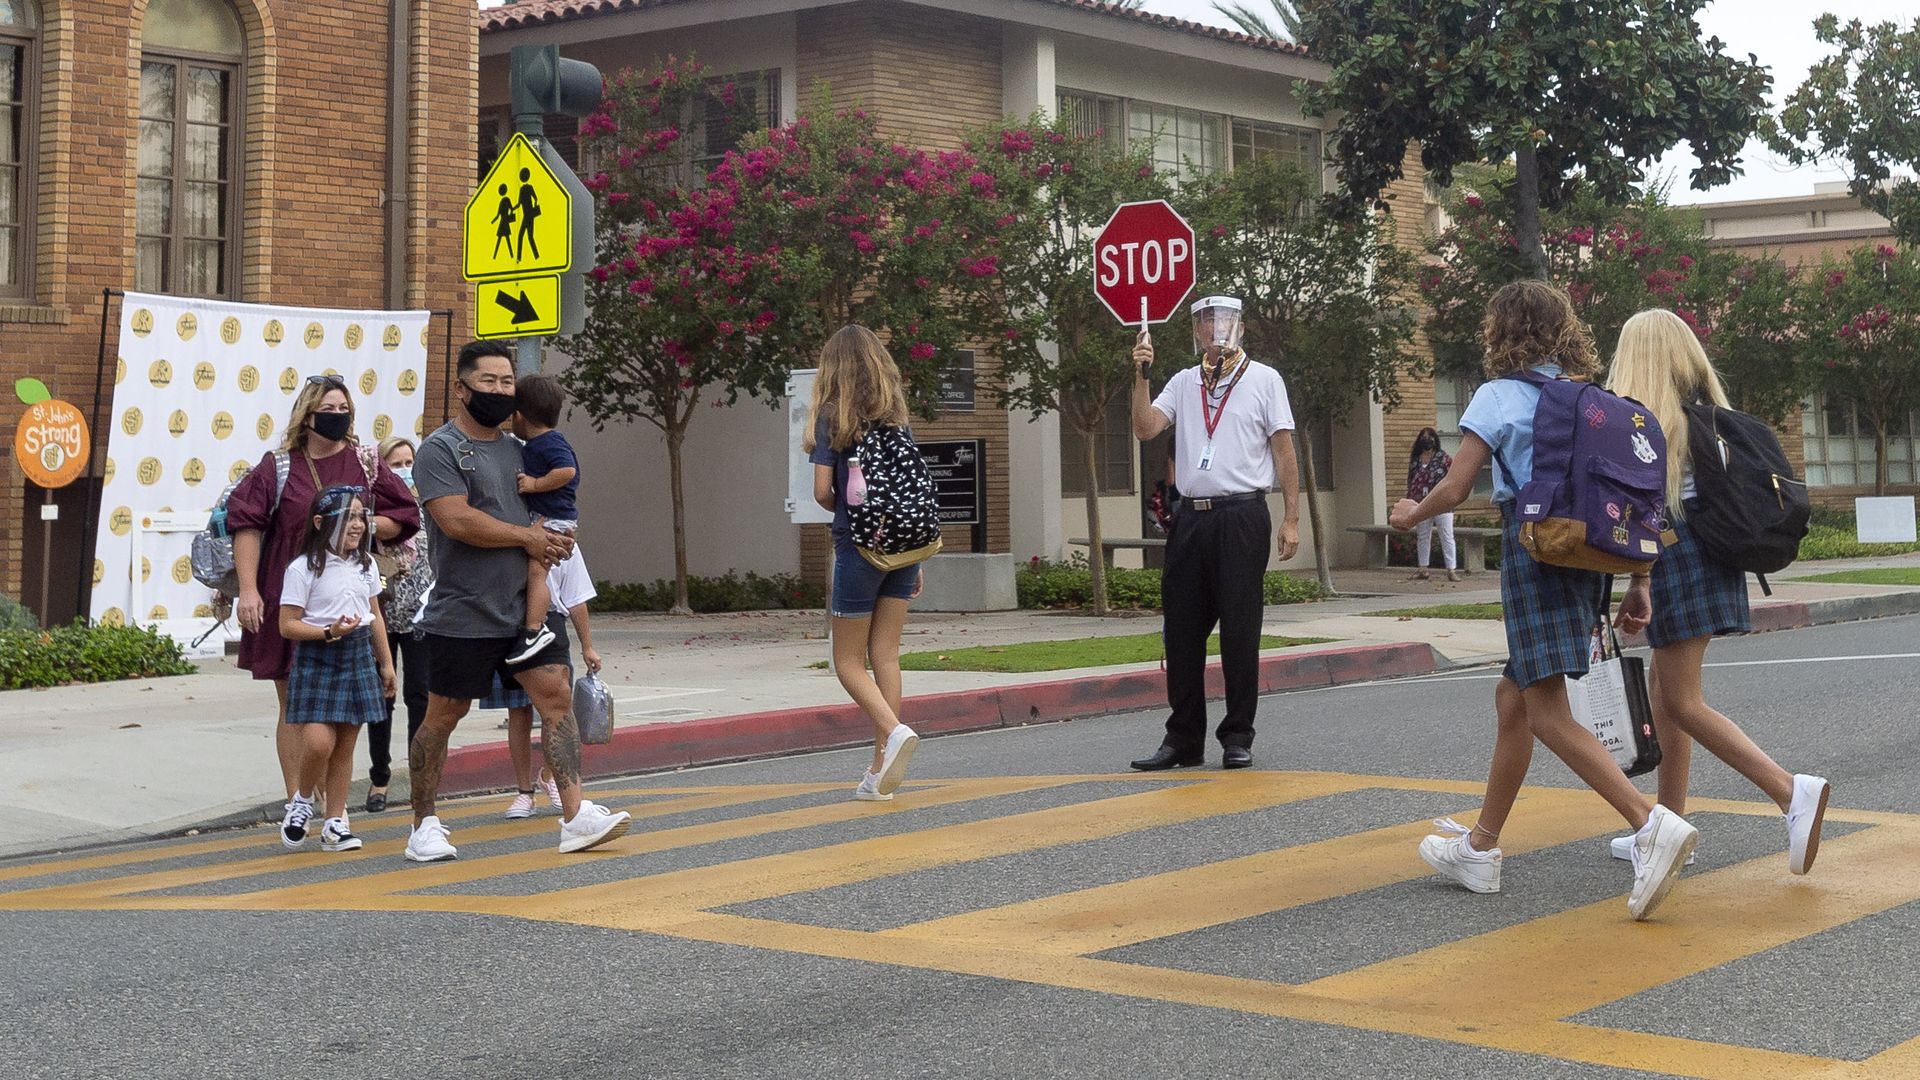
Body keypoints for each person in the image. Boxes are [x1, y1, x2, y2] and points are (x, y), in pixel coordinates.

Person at [1389, 280, 1698, 920]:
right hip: (1587, 557)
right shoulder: (1589, 398)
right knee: (1515, 699)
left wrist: (1408, 515)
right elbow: (1631, 497)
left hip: (1532, 551)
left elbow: (1455, 486)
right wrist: (1639, 579)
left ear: (1501, 331)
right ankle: (1480, 847)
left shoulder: (1497, 396)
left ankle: (1649, 823)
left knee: (1548, 711)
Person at [1605, 309, 1831, 873]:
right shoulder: (1706, 417)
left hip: (1675, 558)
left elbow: (1644, 517)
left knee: (1682, 701)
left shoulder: (1644, 425)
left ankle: (1789, 791)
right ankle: (1667, 825)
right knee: (1665, 695)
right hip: (1712, 554)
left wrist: (1639, 581)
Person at [403, 340, 630, 861]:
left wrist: (555, 540)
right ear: (460, 388)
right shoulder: (440, 450)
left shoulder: (519, 448)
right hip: (464, 610)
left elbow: (548, 503)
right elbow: (456, 520)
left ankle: (574, 815)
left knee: (555, 698)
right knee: (444, 715)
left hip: (530, 603)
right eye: (488, 381)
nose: (500, 391)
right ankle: (424, 825)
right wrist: (528, 538)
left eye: (508, 382)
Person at [1127, 295, 1301, 772]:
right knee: (1181, 630)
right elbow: (1145, 428)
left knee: (1239, 629)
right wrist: (1141, 373)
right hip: (1191, 517)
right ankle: (1183, 737)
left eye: (1224, 321)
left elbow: (1283, 451)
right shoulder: (1184, 382)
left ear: (1241, 329)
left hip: (1241, 514)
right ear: (1196, 331)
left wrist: (1291, 517)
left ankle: (1237, 735)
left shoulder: (1265, 379)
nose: (1215, 330)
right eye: (1205, 322)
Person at [229, 375, 419, 802]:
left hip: (347, 599)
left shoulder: (366, 463)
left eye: (344, 409)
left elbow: (405, 516)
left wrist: (358, 524)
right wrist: (248, 590)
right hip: (290, 596)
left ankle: (331, 803)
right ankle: (299, 799)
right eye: (329, 410)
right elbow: (246, 523)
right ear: (307, 414)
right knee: (294, 705)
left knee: (343, 711)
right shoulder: (278, 466)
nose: (338, 417)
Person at [803, 325, 924, 802]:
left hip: (859, 547)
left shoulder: (833, 416)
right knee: (886, 655)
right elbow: (911, 491)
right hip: (906, 549)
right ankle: (879, 770)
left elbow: (820, 492)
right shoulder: (896, 416)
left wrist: (846, 507)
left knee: (848, 660)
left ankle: (893, 733)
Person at [276, 485, 396, 853]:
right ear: (319, 522)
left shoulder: (367, 564)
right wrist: (327, 631)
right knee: (317, 742)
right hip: (318, 655)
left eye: (361, 516)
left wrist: (387, 663)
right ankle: (302, 801)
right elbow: (287, 624)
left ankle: (334, 823)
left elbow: (374, 615)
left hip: (357, 655)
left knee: (344, 747)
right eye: (348, 518)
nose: (357, 525)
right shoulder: (303, 568)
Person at [503, 543, 601, 819]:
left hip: (551, 624)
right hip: (507, 622)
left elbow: (575, 596)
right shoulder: (507, 534)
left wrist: (587, 646)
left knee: (556, 711)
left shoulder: (562, 539)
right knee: (518, 711)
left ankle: (551, 776)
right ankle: (524, 792)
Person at [363, 436, 433, 813]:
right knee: (381, 698)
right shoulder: (374, 512)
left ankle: (418, 775)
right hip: (382, 614)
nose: (405, 469)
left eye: (410, 461)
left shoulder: (427, 507)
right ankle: (380, 778)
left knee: (419, 697)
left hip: (421, 615)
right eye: (396, 463)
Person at [507, 374, 579, 665]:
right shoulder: (536, 444)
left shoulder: (549, 442)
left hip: (553, 518)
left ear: (519, 416)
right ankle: (535, 625)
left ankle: (534, 630)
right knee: (536, 573)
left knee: (538, 573)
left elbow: (567, 471)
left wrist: (535, 485)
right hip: (550, 517)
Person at [1406, 427, 1459, 582]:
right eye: (1424, 437)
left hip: (1442, 503)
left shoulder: (1443, 458)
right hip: (1421, 502)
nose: (1427, 440)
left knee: (1447, 535)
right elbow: (1411, 481)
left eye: (1430, 437)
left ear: (1435, 440)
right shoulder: (1416, 460)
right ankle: (1423, 568)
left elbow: (1452, 478)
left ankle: (1451, 569)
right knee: (1423, 535)